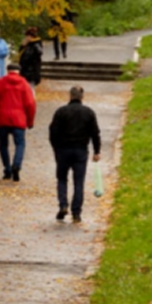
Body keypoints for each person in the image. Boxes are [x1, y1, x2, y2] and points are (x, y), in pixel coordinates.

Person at [48, 85, 101, 223]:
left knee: (62, 179)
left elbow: (53, 132)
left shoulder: (61, 112)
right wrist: (97, 151)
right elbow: (95, 133)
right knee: (79, 182)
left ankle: (63, 205)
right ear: (82, 97)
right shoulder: (88, 112)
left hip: (63, 150)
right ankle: (76, 212)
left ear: (70, 96)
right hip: (80, 150)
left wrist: (56, 148)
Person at [0, 61, 37, 181]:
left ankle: (7, 169)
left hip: (3, 117)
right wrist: (30, 121)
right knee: (20, 144)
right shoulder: (24, 83)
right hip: (19, 118)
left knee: (3, 145)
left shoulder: (1, 82)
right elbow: (30, 104)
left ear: (7, 70)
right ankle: (16, 165)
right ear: (19, 71)